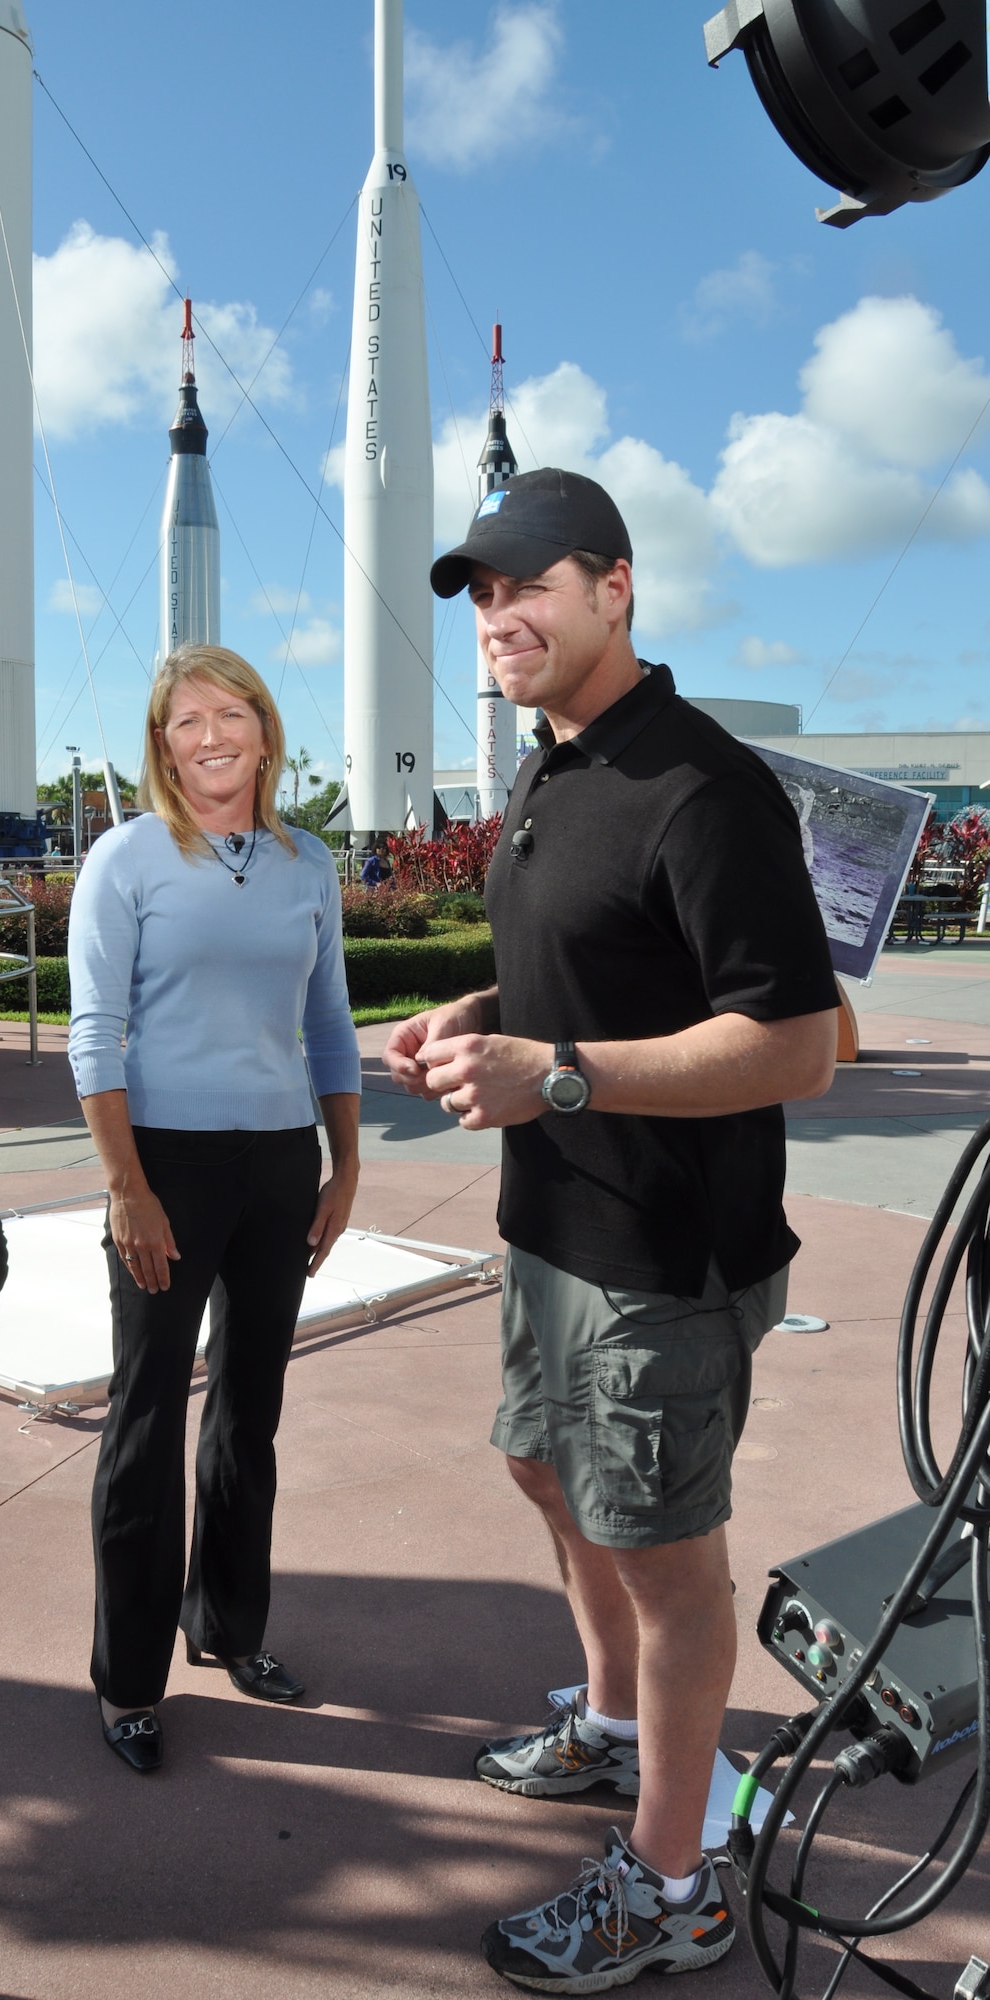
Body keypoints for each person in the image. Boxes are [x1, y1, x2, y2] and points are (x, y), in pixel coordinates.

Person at [384, 468, 838, 1991]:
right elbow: (594, 964)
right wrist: (483, 1012)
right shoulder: (554, 766)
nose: (500, 618)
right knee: (540, 1465)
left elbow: (796, 1046)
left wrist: (557, 1075)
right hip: (554, 1224)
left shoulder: (706, 788)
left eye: (528, 587)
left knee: (665, 1557)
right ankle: (619, 1725)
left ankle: (674, 1882)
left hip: (666, 1255)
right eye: (483, 598)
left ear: (615, 588)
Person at [67, 644, 361, 1775]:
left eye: (228, 713)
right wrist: (126, 1184)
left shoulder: (306, 862)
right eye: (186, 720)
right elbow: (94, 1033)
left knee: (251, 1409)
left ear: (264, 729)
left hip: (281, 1161)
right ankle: (128, 1679)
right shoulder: (126, 858)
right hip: (166, 1168)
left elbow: (328, 1024)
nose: (209, 735)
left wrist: (343, 1165)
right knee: (145, 1421)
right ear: (161, 742)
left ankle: (231, 1629)